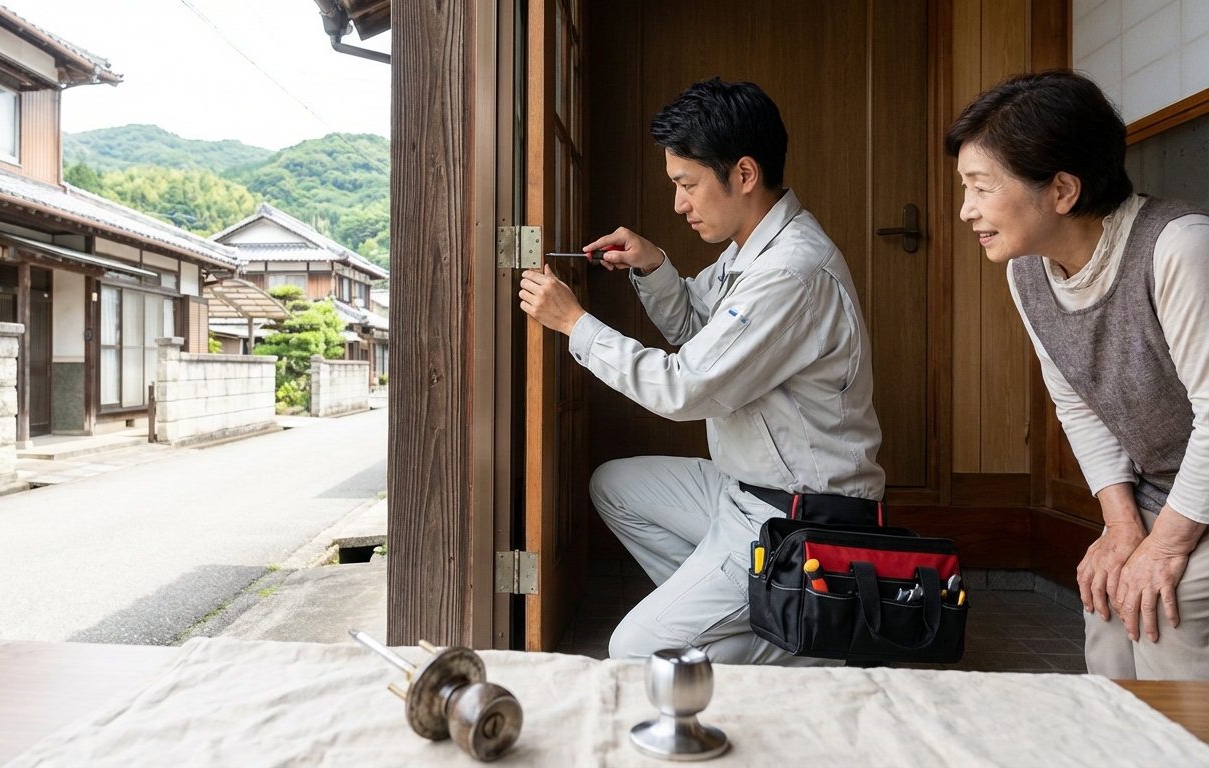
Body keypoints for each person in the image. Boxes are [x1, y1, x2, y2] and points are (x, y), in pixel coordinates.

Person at [518, 78, 885, 664]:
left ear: (743, 174)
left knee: (634, 650)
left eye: (686, 185)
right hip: (742, 492)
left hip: (797, 518)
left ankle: (811, 636)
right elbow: (699, 333)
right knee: (613, 486)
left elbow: (686, 386)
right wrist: (653, 263)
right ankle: (763, 611)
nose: (678, 203)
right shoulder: (750, 249)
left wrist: (575, 325)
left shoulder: (790, 272)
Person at [946, 70, 1209, 680]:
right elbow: (1080, 405)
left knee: (1164, 610)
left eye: (981, 188)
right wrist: (1122, 527)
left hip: (1196, 492)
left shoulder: (1179, 248)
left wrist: (1163, 545)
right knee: (1109, 605)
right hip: (1160, 490)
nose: (966, 211)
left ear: (1062, 189)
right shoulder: (1028, 271)